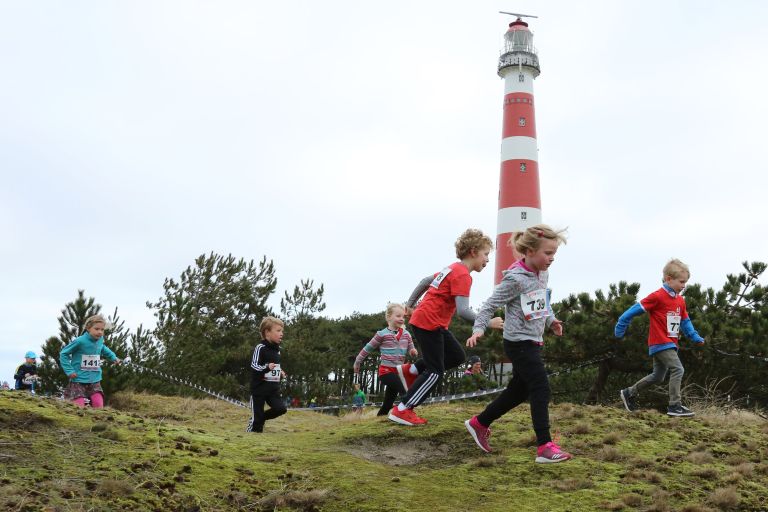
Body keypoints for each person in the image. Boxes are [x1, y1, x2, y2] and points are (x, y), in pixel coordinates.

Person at [464, 224, 573, 464]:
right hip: (518, 342)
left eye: (554, 254)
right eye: (548, 253)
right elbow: (489, 305)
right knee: (540, 387)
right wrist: (479, 328)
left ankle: (479, 423)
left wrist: (552, 320)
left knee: (518, 392)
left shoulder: (542, 272)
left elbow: (542, 299)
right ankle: (544, 445)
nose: (551, 258)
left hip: (535, 341)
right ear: (530, 251)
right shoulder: (515, 279)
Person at [388, 228, 502, 426]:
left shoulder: (450, 268)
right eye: (486, 254)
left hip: (431, 322)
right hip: (428, 323)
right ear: (473, 251)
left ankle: (412, 370)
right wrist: (487, 322)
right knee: (435, 371)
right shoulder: (463, 275)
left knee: (457, 356)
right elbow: (463, 311)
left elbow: (425, 281)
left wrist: (410, 304)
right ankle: (403, 409)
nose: (487, 260)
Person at [615, 258, 705, 417]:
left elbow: (685, 321)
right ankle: (674, 406)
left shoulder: (680, 300)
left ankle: (629, 393)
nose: (684, 286)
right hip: (660, 342)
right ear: (669, 279)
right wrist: (621, 325)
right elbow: (634, 310)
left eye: (686, 282)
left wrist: (694, 336)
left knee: (658, 376)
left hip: (670, 343)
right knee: (678, 369)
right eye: (681, 282)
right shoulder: (657, 296)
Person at [353, 303, 418, 416]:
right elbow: (367, 349)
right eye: (398, 316)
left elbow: (411, 348)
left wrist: (413, 351)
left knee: (388, 404)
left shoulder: (406, 334)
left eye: (403, 317)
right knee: (404, 390)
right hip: (386, 372)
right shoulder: (382, 334)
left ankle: (380, 417)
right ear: (389, 317)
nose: (401, 319)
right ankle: (408, 414)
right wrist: (357, 362)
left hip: (398, 372)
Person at [60, 315, 121, 408]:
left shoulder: (100, 340)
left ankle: (98, 421)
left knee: (98, 404)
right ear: (88, 328)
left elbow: (103, 348)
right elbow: (63, 353)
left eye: (102, 329)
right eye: (96, 329)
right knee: (78, 406)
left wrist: (113, 357)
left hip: (94, 378)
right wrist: (69, 371)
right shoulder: (80, 341)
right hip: (78, 378)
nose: (100, 332)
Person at [246, 316, 288, 433]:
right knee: (257, 427)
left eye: (282, 331)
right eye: (278, 331)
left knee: (281, 409)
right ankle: (253, 432)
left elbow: (275, 368)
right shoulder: (260, 348)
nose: (281, 334)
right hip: (259, 390)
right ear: (267, 332)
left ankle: (259, 419)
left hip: (272, 390)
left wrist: (280, 372)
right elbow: (254, 366)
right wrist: (266, 367)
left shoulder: (277, 351)